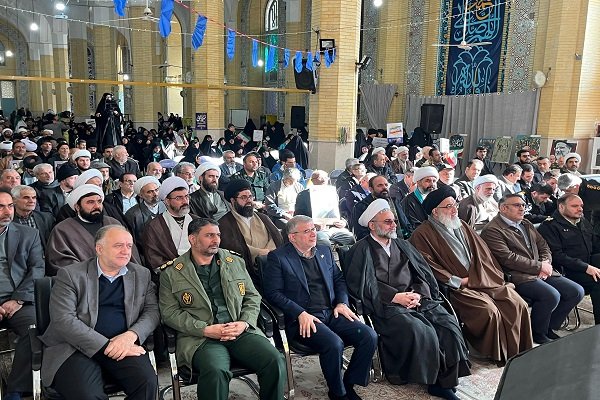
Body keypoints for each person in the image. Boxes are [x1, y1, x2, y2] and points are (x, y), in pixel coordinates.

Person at [344, 199, 470, 399]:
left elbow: (422, 274)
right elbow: (360, 284)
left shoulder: (403, 245)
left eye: (394, 221)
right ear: (372, 225)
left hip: (417, 299)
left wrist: (418, 293)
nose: (393, 225)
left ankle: (446, 379)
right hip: (387, 305)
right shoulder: (360, 250)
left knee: (448, 325)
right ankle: (434, 382)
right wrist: (395, 297)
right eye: (387, 222)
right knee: (421, 330)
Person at [159, 218, 286, 400]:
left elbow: (252, 296)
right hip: (201, 338)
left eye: (218, 235)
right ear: (192, 239)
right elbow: (170, 313)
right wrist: (204, 329)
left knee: (274, 360)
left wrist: (244, 322)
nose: (216, 240)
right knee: (216, 371)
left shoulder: (234, 261)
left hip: (239, 330)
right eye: (209, 235)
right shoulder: (172, 272)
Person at [410, 186, 533, 362]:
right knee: (488, 311)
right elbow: (428, 266)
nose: (455, 210)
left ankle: (517, 351)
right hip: (458, 288)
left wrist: (483, 275)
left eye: (455, 204)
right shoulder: (421, 235)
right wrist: (458, 281)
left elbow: (483, 254)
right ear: (435, 211)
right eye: (449, 206)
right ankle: (493, 352)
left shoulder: (462, 225)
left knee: (517, 304)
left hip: (482, 278)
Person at [263, 216, 378, 400]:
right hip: (304, 318)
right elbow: (273, 293)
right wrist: (300, 312)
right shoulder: (278, 257)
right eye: (307, 231)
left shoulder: (324, 250)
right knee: (334, 344)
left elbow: (339, 279)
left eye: (314, 229)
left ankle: (348, 383)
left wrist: (342, 303)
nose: (313, 234)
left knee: (369, 336)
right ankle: (338, 393)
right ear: (292, 237)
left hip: (331, 312)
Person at [40, 225, 159, 400]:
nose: (126, 251)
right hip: (75, 347)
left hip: (123, 344)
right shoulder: (71, 275)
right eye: (118, 245)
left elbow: (152, 311)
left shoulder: (141, 274)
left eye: (129, 246)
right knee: (89, 396)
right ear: (99, 249)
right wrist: (106, 345)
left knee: (147, 383)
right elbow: (64, 320)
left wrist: (131, 336)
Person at [480, 194, 584, 344]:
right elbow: (508, 258)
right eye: (517, 205)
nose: (522, 208)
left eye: (523, 205)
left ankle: (548, 327)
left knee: (576, 291)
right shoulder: (492, 230)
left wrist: (545, 262)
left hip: (541, 270)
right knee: (551, 295)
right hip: (516, 275)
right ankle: (537, 333)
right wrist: (539, 267)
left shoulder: (526, 223)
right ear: (503, 208)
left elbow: (543, 245)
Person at [0, 188, 44, 400]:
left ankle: (15, 390)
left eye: (9, 206)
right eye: (1, 207)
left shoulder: (29, 234)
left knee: (35, 327)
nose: (7, 211)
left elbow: (37, 269)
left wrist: (17, 299)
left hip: (19, 301)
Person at [46, 184, 137, 276]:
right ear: (77, 207)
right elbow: (61, 262)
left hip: (120, 276)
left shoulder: (113, 224)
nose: (97, 206)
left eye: (99, 201)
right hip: (82, 280)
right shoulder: (62, 229)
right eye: (90, 202)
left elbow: (130, 255)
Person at [538, 194, 600, 324]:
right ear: (561, 207)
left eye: (581, 206)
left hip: (588, 265)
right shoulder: (549, 226)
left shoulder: (582, 221)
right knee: (598, 283)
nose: (580, 209)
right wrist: (586, 267)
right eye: (574, 206)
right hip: (567, 272)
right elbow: (557, 256)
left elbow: (594, 245)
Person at [218, 179, 283, 277]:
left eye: (250, 197)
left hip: (273, 264)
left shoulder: (263, 217)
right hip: (244, 272)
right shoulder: (224, 223)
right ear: (233, 201)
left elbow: (276, 237)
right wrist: (259, 252)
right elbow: (231, 248)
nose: (248, 201)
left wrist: (269, 252)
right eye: (243, 197)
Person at [141, 176, 196, 273]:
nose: (185, 201)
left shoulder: (197, 221)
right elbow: (153, 257)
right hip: (171, 274)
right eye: (178, 198)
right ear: (167, 201)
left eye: (186, 196)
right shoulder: (154, 226)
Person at [352, 175, 413, 240]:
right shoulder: (361, 206)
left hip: (402, 240)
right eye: (380, 185)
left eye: (386, 185)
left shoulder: (394, 201)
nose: (384, 187)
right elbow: (361, 234)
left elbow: (405, 223)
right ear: (371, 189)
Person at [124, 176, 165, 247]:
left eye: (156, 190)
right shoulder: (132, 214)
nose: (155, 194)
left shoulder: (167, 207)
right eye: (149, 192)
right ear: (141, 195)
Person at [11, 185, 54, 252]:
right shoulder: (8, 221)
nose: (31, 201)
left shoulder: (46, 218)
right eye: (26, 197)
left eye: (34, 197)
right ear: (14, 200)